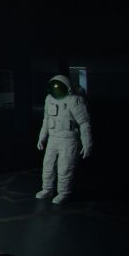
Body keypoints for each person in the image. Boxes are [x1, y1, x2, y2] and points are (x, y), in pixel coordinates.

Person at [36, 74, 93, 204]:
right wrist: (42, 138)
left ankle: (63, 193)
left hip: (68, 140)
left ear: (67, 88)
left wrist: (87, 144)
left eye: (58, 87)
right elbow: (46, 120)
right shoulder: (49, 99)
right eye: (53, 87)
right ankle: (47, 189)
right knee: (48, 165)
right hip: (53, 139)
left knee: (65, 168)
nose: (55, 89)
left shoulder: (75, 100)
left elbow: (84, 123)